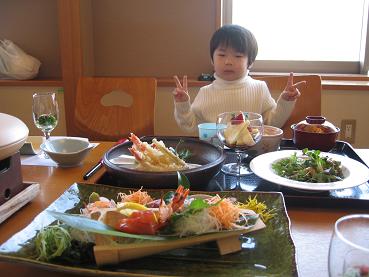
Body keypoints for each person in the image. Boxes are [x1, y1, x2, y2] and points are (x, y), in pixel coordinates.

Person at [172, 24, 306, 133]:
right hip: (216, 155)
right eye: (222, 55)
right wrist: (183, 104)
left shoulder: (259, 88)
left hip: (251, 154)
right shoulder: (205, 92)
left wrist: (285, 101)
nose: (228, 62)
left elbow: (272, 123)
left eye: (238, 56)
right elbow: (189, 125)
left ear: (250, 62)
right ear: (212, 60)